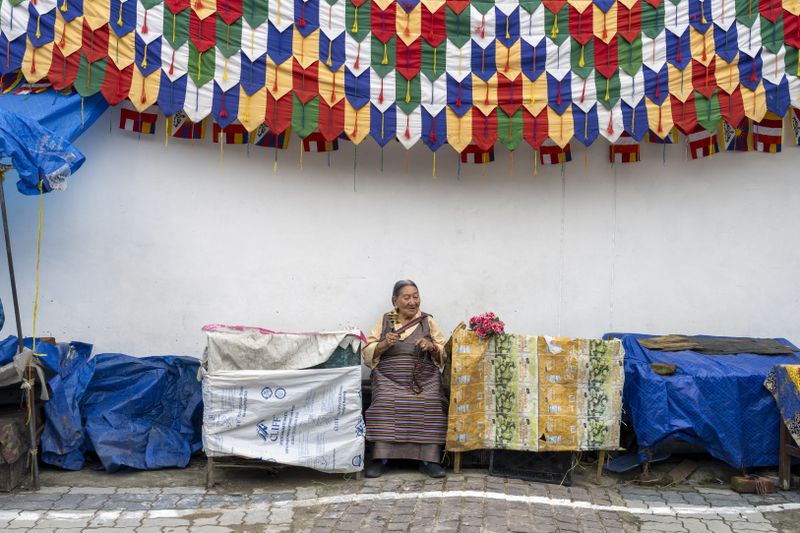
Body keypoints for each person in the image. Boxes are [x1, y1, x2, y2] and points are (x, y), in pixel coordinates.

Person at [362, 280, 449, 478]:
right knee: (385, 401)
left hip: (423, 380)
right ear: (395, 300)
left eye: (416, 296)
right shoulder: (387, 319)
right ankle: (382, 459)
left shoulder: (427, 321)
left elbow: (444, 351)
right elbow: (367, 351)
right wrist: (384, 344)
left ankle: (429, 460)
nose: (412, 302)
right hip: (389, 378)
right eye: (407, 297)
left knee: (432, 402)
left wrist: (432, 347)